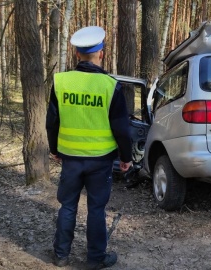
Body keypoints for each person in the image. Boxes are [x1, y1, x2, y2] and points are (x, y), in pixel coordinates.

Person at [46, 26, 132, 269]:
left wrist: (54, 149)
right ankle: (96, 258)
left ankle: (60, 255)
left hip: (70, 158)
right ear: (101, 54)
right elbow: (122, 128)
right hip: (100, 160)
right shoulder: (110, 85)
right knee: (96, 208)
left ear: (76, 54)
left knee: (68, 205)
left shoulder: (61, 82)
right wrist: (126, 157)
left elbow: (52, 122)